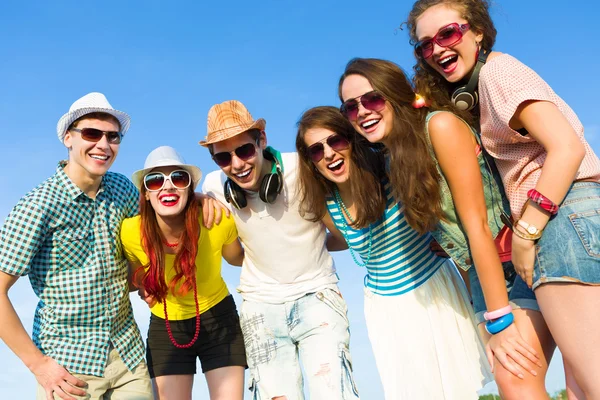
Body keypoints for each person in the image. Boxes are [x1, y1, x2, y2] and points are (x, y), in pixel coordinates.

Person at [407, 1, 600, 397]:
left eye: (448, 33)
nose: (437, 49)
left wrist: (527, 233)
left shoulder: (498, 71)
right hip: (562, 220)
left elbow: (566, 149)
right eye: (425, 44)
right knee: (570, 384)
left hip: (561, 219)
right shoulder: (480, 88)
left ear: (477, 30)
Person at [338, 56, 551, 398]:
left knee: (520, 380)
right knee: (514, 383)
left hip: (518, 261)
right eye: (351, 107)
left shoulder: (439, 126)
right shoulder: (397, 158)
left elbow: (477, 226)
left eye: (372, 99)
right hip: (484, 278)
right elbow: (456, 243)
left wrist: (500, 320)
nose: (363, 111)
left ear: (395, 95)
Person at [295, 105, 491, 399]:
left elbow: (445, 210)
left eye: (335, 141)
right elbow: (344, 238)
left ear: (350, 140)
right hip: (387, 309)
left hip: (434, 288)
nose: (329, 154)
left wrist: (449, 248)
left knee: (460, 391)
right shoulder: (327, 206)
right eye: (316, 150)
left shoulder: (388, 172)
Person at [201, 100, 359, 400]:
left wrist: (311, 245)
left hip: (318, 296)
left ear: (262, 140)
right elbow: (234, 258)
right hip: (260, 308)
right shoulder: (213, 187)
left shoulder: (302, 169)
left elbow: (344, 235)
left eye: (244, 150)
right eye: (223, 157)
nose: (236, 164)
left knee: (334, 393)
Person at [0, 92, 153, 400]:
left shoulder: (122, 188)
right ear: (68, 138)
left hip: (130, 358)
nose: (104, 145)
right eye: (92, 133)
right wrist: (39, 365)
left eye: (113, 136)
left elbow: (159, 218)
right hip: (69, 368)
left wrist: (200, 199)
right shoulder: (37, 207)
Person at [121, 145, 247, 400]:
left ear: (190, 189)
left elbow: (238, 259)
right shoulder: (130, 232)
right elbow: (135, 277)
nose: (167, 186)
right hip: (166, 325)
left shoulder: (216, 221)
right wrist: (144, 282)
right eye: (155, 181)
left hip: (218, 317)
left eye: (178, 178)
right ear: (145, 195)